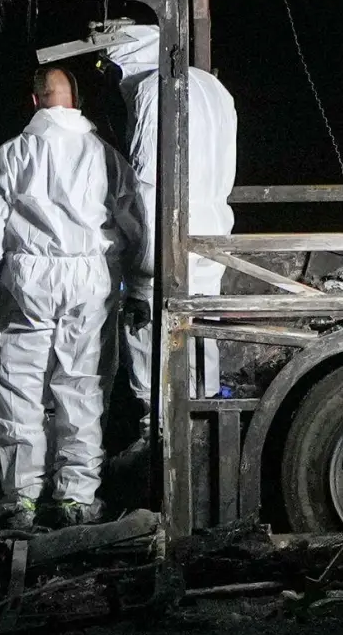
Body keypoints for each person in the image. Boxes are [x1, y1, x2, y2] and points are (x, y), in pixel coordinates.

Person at [0, 67, 151, 530]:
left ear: (34, 101)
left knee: (18, 387)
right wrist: (139, 284)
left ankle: (21, 498)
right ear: (76, 101)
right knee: (82, 388)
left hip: (30, 275)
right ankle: (77, 498)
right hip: (90, 276)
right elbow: (133, 220)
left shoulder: (14, 153)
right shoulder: (105, 155)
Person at [104, 25, 238, 436]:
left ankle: (156, 430)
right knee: (202, 329)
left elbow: (147, 179)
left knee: (147, 332)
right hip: (213, 227)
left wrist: (137, 254)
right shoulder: (213, 87)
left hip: (166, 233)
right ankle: (204, 418)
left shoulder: (153, 89)